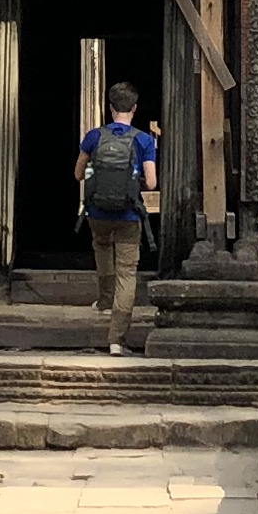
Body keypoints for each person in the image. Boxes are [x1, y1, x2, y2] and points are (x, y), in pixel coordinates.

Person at [78, 81, 161, 348]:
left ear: (110, 107)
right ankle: (116, 339)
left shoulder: (94, 137)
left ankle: (104, 300)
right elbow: (151, 182)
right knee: (127, 271)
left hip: (97, 212)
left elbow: (78, 174)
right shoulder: (143, 140)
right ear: (134, 108)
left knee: (102, 249)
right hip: (128, 215)